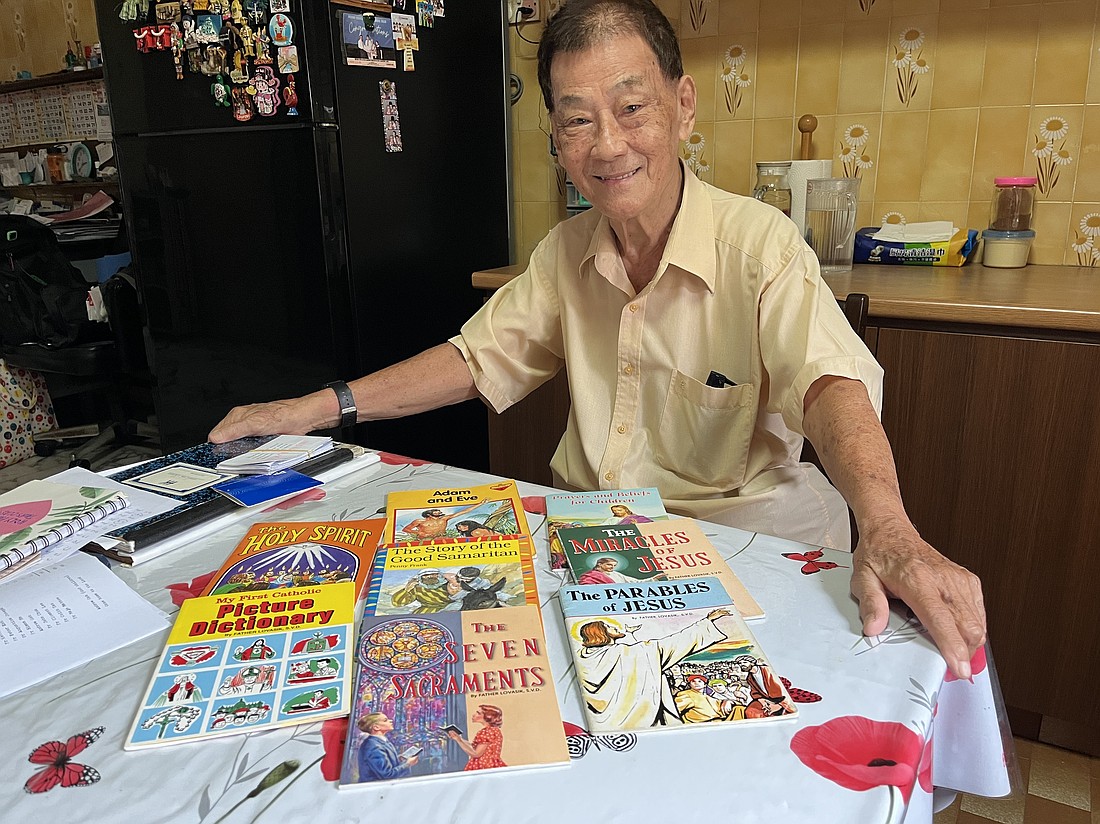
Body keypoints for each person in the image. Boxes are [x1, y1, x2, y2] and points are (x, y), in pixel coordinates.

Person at [208, 0, 984, 680]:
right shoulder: (565, 252)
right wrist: (316, 407)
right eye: (577, 119)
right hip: (590, 556)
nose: (606, 145)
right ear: (555, 137)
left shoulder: (762, 247)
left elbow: (829, 385)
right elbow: (475, 359)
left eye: (631, 108)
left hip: (732, 558)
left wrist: (888, 527)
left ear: (683, 107)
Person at [575, 609, 731, 729]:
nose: (614, 626)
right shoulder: (629, 653)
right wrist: (706, 622)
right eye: (608, 626)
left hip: (600, 721)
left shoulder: (583, 656)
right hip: (640, 719)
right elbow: (673, 644)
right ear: (600, 633)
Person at [357, 712, 418, 781]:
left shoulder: (381, 741)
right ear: (376, 727)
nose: (390, 721)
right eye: (385, 720)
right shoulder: (373, 746)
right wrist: (407, 764)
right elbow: (387, 775)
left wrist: (399, 758)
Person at [446, 705, 507, 771]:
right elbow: (473, 747)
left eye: (478, 713)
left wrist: (459, 740)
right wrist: (458, 738)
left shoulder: (487, 732)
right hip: (489, 765)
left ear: (488, 717)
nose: (474, 715)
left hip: (484, 766)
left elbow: (476, 754)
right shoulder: (493, 730)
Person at [398, 502, 484, 540]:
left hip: (441, 536)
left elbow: (463, 511)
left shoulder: (444, 519)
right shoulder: (419, 521)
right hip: (425, 538)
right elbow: (405, 529)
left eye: (439, 512)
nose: (439, 512)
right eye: (436, 512)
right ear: (429, 514)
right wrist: (420, 533)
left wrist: (480, 504)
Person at [577, 555, 645, 585]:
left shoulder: (615, 574)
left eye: (614, 565)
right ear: (600, 564)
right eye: (609, 564)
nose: (612, 567)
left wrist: (654, 579)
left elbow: (635, 582)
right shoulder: (590, 575)